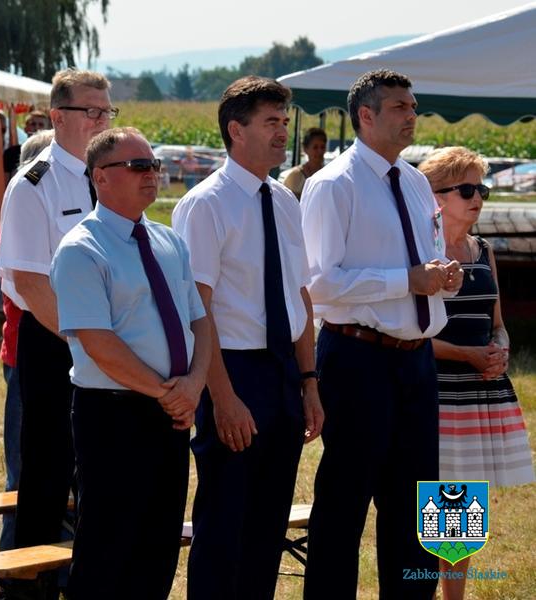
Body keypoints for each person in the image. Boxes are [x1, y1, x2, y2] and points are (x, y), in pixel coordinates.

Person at [300, 70, 463, 600]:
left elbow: (421, 263)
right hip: (357, 356)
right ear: (365, 116)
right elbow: (319, 285)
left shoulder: (416, 182)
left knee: (417, 504)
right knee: (345, 503)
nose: (411, 115)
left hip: (416, 362)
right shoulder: (332, 185)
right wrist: (405, 281)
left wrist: (443, 277)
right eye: (398, 107)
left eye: (413, 106)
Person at [172, 76, 324, 600]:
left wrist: (308, 381)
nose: (283, 132)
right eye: (271, 122)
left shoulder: (284, 200)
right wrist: (224, 396)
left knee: (267, 524)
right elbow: (199, 309)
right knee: (225, 522)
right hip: (232, 372)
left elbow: (298, 296)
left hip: (282, 371)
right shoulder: (204, 205)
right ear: (236, 130)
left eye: (285, 122)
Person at [52, 127, 211, 599]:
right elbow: (99, 342)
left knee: (158, 548)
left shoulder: (168, 241)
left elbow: (199, 321)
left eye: (154, 165)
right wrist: (170, 393)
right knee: (108, 549)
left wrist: (194, 386)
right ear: (101, 177)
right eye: (138, 166)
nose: (151, 175)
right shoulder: (82, 248)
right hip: (114, 414)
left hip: (173, 413)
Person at [0, 68, 114, 599]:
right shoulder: (34, 183)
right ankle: (30, 592)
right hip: (54, 344)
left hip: (109, 346)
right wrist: (83, 339)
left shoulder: (112, 176)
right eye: (92, 111)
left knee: (101, 478)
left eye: (108, 111)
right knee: (44, 481)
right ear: (59, 117)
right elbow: (28, 281)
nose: (102, 121)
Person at [418, 147, 535, 600]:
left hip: (478, 398)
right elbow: (411, 336)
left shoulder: (484, 251)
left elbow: (498, 325)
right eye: (466, 189)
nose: (477, 198)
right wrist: (466, 354)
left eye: (481, 189)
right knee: (425, 508)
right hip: (434, 396)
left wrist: (499, 351)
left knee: (461, 512)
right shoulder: (421, 255)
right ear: (436, 197)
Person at [0, 129, 54, 553]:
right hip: (25, 353)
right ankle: (15, 569)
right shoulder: (23, 211)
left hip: (46, 350)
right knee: (27, 471)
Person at [3, 110, 52, 184]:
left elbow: (30, 182)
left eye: (41, 125)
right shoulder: (11, 153)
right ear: (25, 128)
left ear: (47, 129)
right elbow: (5, 183)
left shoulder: (50, 154)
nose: (37, 128)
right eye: (33, 124)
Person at [282, 127, 327, 200]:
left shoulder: (328, 173)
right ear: (305, 149)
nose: (320, 151)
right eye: (315, 147)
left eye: (322, 147)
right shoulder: (295, 176)